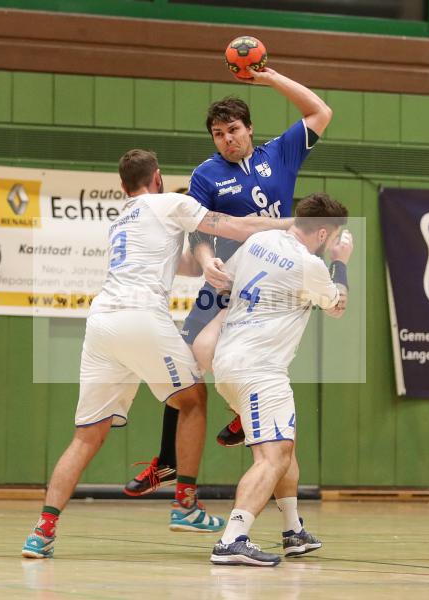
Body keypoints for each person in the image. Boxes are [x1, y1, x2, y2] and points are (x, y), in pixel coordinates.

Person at [22, 149, 293, 559]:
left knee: (85, 437)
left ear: (123, 186)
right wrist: (294, 224)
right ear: (158, 178)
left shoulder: (121, 218)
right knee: (193, 399)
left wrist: (208, 265)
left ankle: (42, 531)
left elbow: (178, 264)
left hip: (101, 325)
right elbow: (237, 226)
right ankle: (185, 503)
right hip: (140, 316)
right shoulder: (169, 202)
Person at [124, 66, 333, 497]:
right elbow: (197, 228)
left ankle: (242, 416)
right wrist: (205, 260)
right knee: (187, 362)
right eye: (219, 134)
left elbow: (320, 111)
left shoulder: (279, 153)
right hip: (227, 280)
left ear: (249, 128)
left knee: (252, 358)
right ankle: (167, 460)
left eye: (233, 130)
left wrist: (270, 78)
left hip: (274, 280)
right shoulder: (206, 174)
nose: (227, 139)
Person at [209, 192, 352, 566]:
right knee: (272, 457)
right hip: (260, 368)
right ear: (322, 233)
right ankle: (233, 538)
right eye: (334, 237)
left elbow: (225, 281)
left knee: (284, 445)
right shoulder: (311, 265)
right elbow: (338, 307)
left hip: (228, 360)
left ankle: (292, 531)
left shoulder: (259, 240)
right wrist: (341, 264)